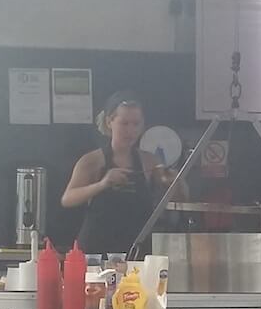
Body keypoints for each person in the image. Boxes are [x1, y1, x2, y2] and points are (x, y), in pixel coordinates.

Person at [61, 91, 182, 254]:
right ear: (109, 122)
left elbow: (179, 199)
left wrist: (175, 183)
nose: (130, 130)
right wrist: (102, 184)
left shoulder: (149, 161)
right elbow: (68, 199)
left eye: (136, 124)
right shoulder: (92, 161)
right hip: (97, 249)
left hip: (137, 248)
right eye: (124, 123)